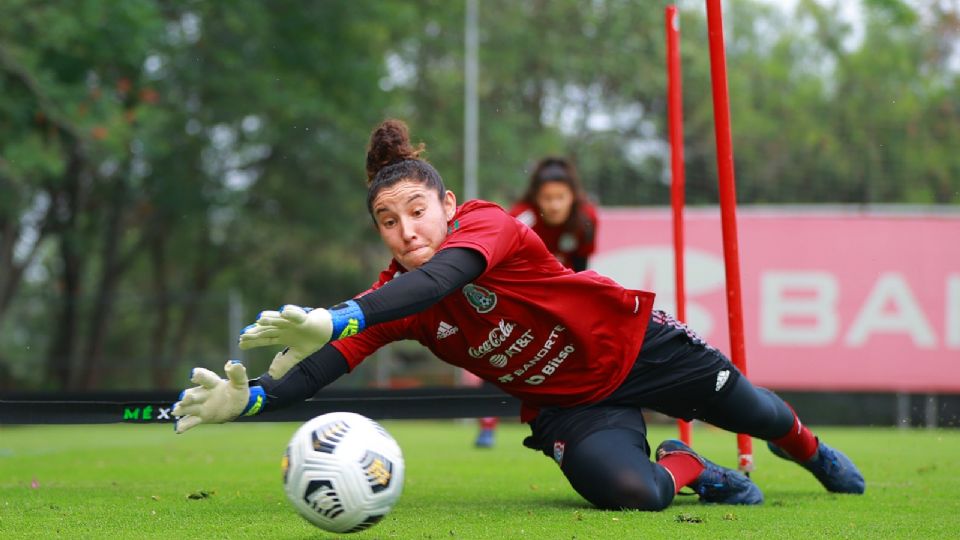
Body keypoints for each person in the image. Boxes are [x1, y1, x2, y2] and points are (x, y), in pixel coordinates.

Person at [173, 119, 865, 511]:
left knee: (766, 416)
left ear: (447, 206)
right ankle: (686, 465)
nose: (407, 230)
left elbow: (445, 277)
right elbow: (324, 366)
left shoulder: (489, 225)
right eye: (388, 221)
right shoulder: (391, 296)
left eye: (417, 211)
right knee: (634, 495)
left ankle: (807, 450)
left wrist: (338, 317)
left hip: (635, 349)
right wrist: (254, 397)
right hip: (569, 404)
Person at [472, 158, 599, 448]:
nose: (553, 205)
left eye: (560, 198)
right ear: (536, 198)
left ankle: (576, 421)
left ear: (572, 197)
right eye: (547, 198)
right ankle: (487, 425)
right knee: (497, 354)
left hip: (559, 296)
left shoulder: (585, 218)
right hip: (515, 294)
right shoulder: (521, 217)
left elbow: (579, 270)